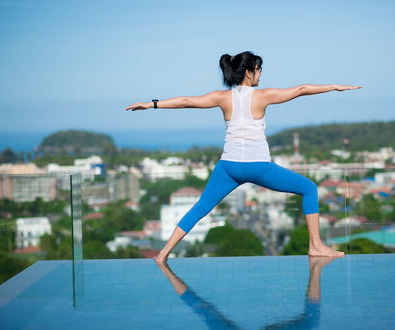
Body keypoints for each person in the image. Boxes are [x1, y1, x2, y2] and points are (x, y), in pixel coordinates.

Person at [125, 51, 361, 263]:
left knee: (200, 208)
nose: (260, 74)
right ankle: (316, 246)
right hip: (258, 167)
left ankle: (163, 254)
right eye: (258, 69)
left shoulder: (222, 97)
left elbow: (186, 101)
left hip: (228, 167)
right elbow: (300, 90)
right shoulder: (263, 96)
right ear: (249, 73)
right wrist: (334, 86)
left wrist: (151, 104)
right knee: (309, 189)